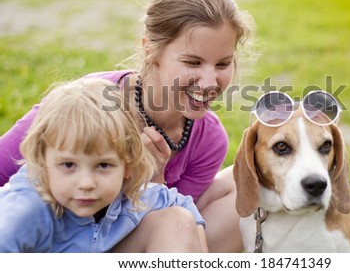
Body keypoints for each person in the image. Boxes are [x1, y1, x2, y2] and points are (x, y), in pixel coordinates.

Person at [0, 0, 255, 252]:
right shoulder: (83, 107)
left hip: (123, 240)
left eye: (222, 63)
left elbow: (169, 213)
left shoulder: (209, 138)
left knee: (248, 185)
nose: (209, 83)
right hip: (52, 242)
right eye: (192, 62)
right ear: (150, 50)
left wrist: (153, 179)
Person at [0, 78, 207, 252]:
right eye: (69, 165)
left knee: (178, 220)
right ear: (43, 163)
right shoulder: (27, 209)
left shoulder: (129, 197)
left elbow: (182, 206)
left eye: (103, 166)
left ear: (128, 166)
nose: (87, 183)